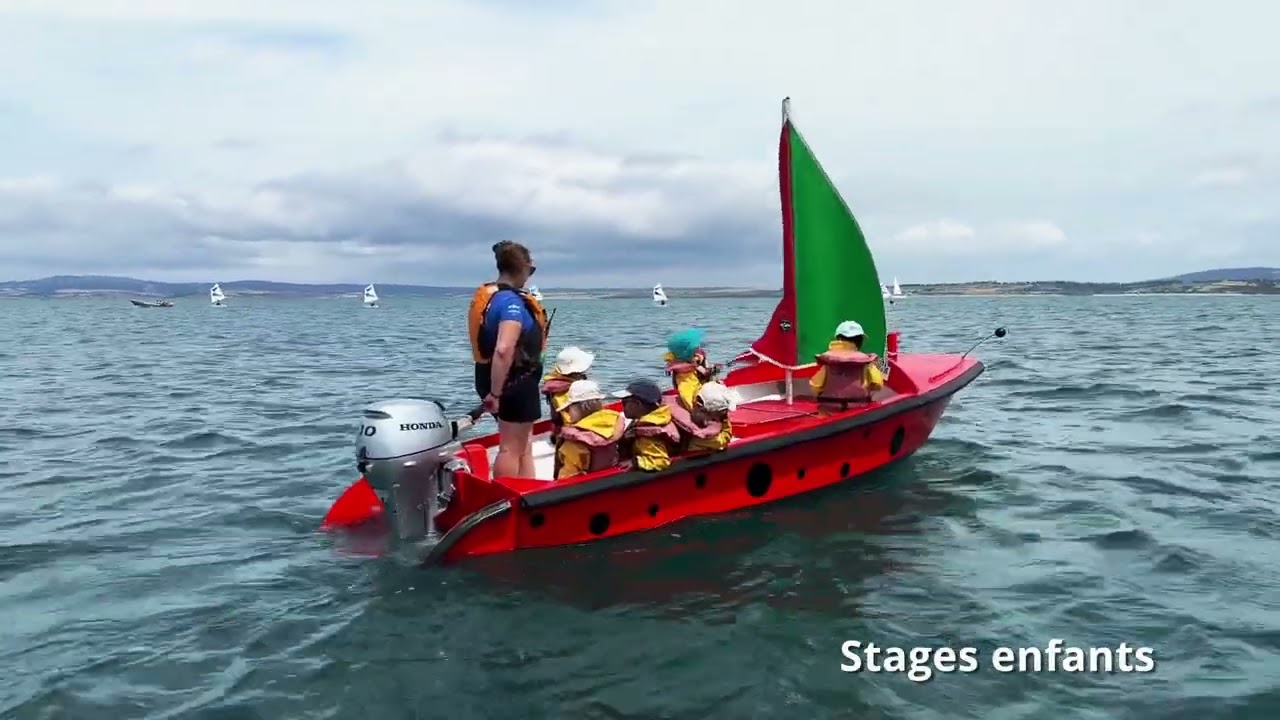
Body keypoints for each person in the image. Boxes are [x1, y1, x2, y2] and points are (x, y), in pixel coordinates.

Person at [468, 240, 550, 479]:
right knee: (512, 448)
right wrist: (495, 394)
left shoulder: (493, 298)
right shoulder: (511, 303)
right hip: (513, 382)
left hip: (496, 378)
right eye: (531, 270)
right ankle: (508, 500)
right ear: (522, 267)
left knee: (523, 446)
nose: (530, 275)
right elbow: (504, 348)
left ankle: (528, 494)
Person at [556, 380, 627, 479]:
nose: (567, 414)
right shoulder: (616, 422)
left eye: (568, 409)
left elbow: (566, 478)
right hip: (612, 479)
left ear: (581, 407)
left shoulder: (574, 443)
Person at [809, 320, 884, 403]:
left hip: (830, 407)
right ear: (860, 342)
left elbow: (815, 386)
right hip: (858, 407)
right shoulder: (865, 362)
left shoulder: (829, 361)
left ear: (838, 339)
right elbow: (877, 384)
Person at [614, 379, 680, 472]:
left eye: (624, 403)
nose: (622, 406)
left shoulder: (646, 436)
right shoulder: (659, 417)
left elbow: (661, 461)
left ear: (638, 404)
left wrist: (636, 462)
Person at [664, 328, 721, 410]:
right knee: (687, 395)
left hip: (692, 380)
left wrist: (710, 371)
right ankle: (693, 409)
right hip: (684, 381)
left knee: (692, 393)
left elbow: (704, 370)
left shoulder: (694, 359)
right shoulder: (676, 360)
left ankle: (695, 407)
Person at [681, 381, 737, 452]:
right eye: (720, 413)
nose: (724, 415)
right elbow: (722, 441)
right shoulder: (703, 434)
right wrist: (725, 423)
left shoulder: (691, 396)